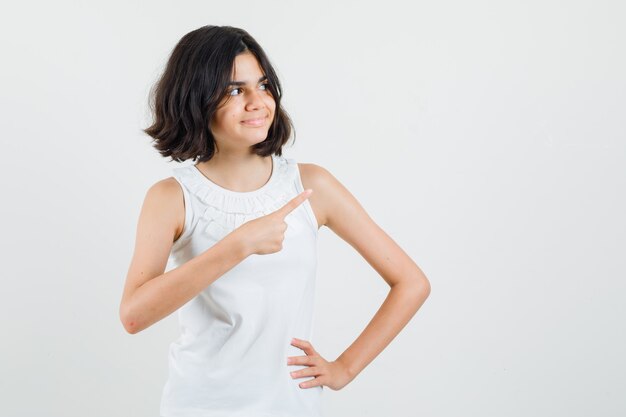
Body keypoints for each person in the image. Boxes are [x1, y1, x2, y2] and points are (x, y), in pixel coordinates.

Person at [119, 25, 431, 417]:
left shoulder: (311, 184)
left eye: (263, 86)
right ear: (195, 99)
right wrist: (238, 245)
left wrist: (345, 369)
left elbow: (412, 282)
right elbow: (133, 315)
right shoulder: (170, 197)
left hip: (291, 406)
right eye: (234, 90)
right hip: (198, 406)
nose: (257, 102)